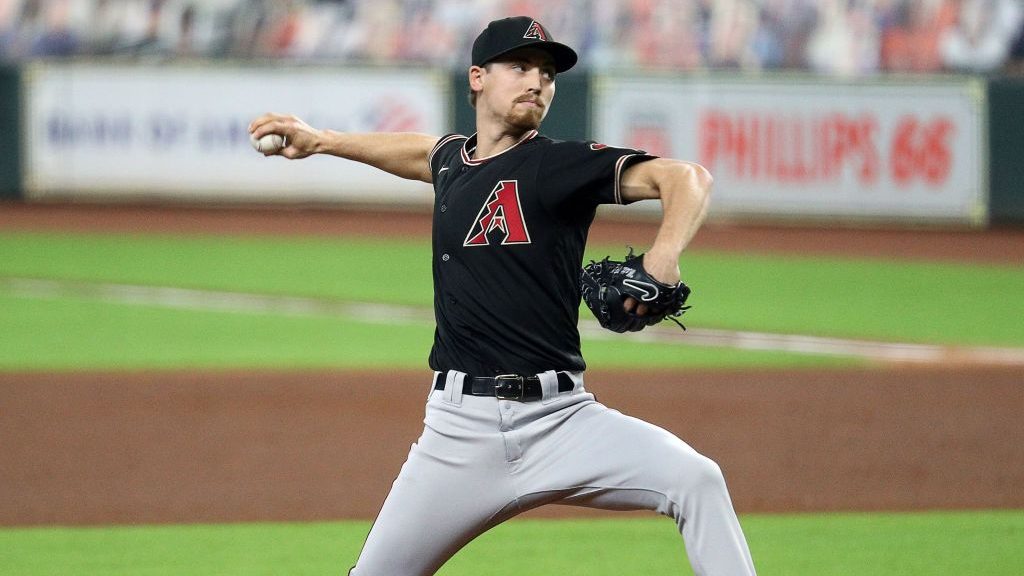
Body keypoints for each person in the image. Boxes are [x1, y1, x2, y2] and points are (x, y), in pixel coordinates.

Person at [249, 15, 756, 576]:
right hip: (458, 433)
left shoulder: (556, 165)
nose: (536, 81)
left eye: (546, 72)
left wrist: (663, 256)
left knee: (697, 480)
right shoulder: (453, 163)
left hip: (564, 421)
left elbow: (688, 179)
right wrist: (323, 141)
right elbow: (422, 153)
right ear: (477, 79)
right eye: (519, 67)